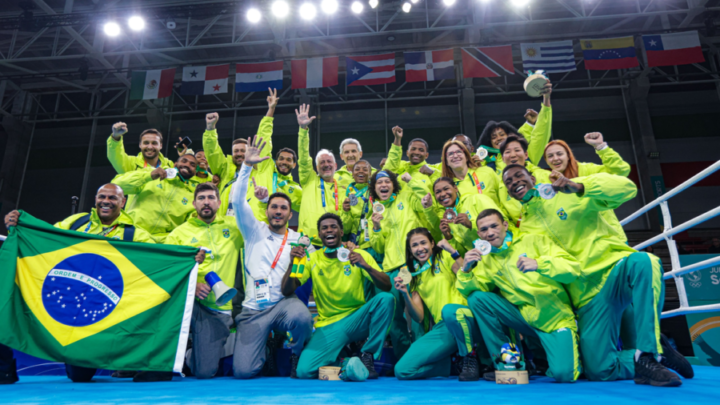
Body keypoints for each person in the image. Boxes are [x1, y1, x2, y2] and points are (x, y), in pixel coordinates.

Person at [503, 165, 694, 386]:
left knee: (645, 262)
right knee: (600, 370)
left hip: (614, 269)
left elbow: (628, 188)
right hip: (586, 296)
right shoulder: (525, 228)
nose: (514, 182)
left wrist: (579, 186)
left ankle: (649, 352)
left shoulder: (571, 193)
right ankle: (654, 354)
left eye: (519, 176)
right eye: (508, 181)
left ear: (533, 177)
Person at [3, 184, 169, 383]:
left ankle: (147, 363)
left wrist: (189, 259)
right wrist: (20, 224)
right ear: (96, 198)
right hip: (77, 312)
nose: (106, 201)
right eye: (102, 196)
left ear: (123, 202)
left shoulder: (135, 235)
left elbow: (162, 260)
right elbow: (44, 236)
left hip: (114, 310)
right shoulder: (76, 222)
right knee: (79, 377)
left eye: (112, 198)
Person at [453, 208, 582, 383]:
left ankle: (622, 359)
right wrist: (466, 269)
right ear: (479, 234)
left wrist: (539, 264)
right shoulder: (487, 258)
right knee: (477, 299)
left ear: (505, 225)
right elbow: (471, 289)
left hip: (554, 319)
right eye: (484, 229)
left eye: (494, 226)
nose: (490, 233)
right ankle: (508, 365)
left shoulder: (532, 240)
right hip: (524, 319)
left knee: (564, 374)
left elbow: (572, 269)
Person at [230, 135, 313, 379]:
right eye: (274, 207)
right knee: (244, 372)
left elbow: (295, 282)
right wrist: (246, 166)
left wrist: (296, 263)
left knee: (302, 317)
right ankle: (265, 348)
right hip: (254, 309)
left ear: (290, 214)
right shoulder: (253, 230)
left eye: (283, 208)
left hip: (282, 304)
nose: (278, 211)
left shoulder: (299, 241)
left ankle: (298, 353)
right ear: (266, 210)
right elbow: (236, 199)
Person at [284, 213, 394, 379]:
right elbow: (287, 290)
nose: (329, 230)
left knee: (386, 299)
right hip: (329, 325)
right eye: (324, 228)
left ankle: (367, 356)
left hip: (357, 319)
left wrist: (365, 266)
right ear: (319, 234)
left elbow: (386, 286)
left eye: (333, 227)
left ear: (341, 232)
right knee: (304, 371)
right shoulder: (311, 259)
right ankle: (346, 362)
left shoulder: (358, 255)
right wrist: (292, 263)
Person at [166, 182, 243, 379]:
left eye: (210, 198)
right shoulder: (178, 234)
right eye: (201, 198)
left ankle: (191, 351)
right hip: (186, 303)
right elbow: (168, 270)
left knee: (204, 372)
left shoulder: (234, 228)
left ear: (219, 203)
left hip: (217, 309)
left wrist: (262, 200)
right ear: (194, 203)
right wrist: (192, 285)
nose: (206, 202)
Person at [204, 89, 300, 220]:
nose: (239, 154)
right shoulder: (224, 170)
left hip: (256, 224)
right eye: (235, 151)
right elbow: (212, 152)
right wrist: (210, 128)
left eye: (243, 150)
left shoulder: (262, 168)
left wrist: (270, 111)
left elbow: (264, 136)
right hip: (225, 225)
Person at [368, 170, 433, 360]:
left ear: (393, 185)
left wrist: (411, 181)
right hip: (391, 268)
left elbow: (425, 200)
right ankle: (403, 359)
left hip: (409, 265)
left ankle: (421, 358)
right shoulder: (377, 211)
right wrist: (377, 228)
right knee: (394, 317)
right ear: (375, 189)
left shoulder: (406, 196)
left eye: (387, 181)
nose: (383, 185)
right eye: (379, 183)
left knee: (417, 313)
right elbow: (378, 247)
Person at [393, 229, 474, 380]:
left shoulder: (443, 256)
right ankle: (450, 366)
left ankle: (470, 358)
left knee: (449, 310)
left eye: (423, 243)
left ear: (432, 243)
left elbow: (466, 271)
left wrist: (453, 252)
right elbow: (419, 317)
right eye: (415, 245)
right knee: (402, 370)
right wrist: (405, 293)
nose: (420, 248)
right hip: (443, 327)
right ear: (410, 251)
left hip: (463, 317)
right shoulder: (414, 275)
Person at [544, 133, 631, 241]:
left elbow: (620, 172)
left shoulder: (587, 170)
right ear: (546, 161)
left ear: (568, 155)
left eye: (559, 154)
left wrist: (601, 147)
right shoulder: (548, 184)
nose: (555, 158)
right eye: (550, 156)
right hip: (576, 244)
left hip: (608, 238)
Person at [111, 154, 198, 243]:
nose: (187, 165)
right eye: (184, 161)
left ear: (195, 172)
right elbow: (116, 186)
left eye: (192, 165)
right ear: (175, 164)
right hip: (133, 234)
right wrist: (148, 176)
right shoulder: (151, 173)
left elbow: (190, 226)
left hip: (162, 244)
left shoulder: (193, 196)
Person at [477, 79, 553, 174]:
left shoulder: (525, 156)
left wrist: (546, 99)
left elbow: (541, 133)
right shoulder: (483, 162)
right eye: (494, 137)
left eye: (502, 134)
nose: (499, 139)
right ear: (489, 143)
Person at [296, 104, 343, 246]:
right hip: (308, 243)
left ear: (335, 166)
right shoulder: (309, 179)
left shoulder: (343, 188)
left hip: (334, 242)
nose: (326, 164)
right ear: (316, 168)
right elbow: (304, 157)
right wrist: (303, 130)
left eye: (329, 161)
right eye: (322, 162)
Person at [426, 177, 502, 255]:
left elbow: (502, 223)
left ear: (455, 188)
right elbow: (462, 253)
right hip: (480, 260)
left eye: (446, 189)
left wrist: (470, 224)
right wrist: (449, 237)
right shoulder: (447, 220)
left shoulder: (476, 199)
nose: (442, 194)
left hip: (500, 250)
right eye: (438, 192)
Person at [497, 134, 551, 230]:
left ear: (526, 155)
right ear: (503, 158)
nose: (513, 155)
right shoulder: (501, 188)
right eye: (508, 152)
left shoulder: (544, 175)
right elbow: (506, 218)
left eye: (517, 150)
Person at [440, 140, 501, 207]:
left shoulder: (487, 172)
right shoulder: (448, 187)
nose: (455, 155)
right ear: (446, 162)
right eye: (450, 154)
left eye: (459, 152)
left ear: (466, 157)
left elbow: (504, 197)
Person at [107, 124, 173, 174]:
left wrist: (183, 156)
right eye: (146, 143)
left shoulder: (169, 165)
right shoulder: (131, 164)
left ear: (161, 146)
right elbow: (115, 156)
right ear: (140, 145)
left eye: (154, 143)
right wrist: (115, 137)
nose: (150, 147)